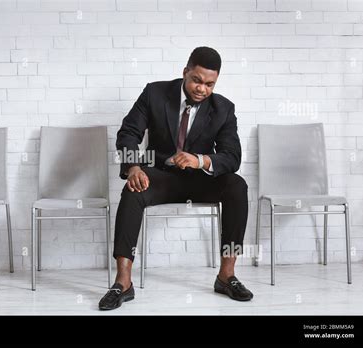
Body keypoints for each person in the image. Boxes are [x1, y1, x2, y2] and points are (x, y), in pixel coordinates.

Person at [99, 46, 253, 311]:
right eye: (197, 80)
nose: (202, 89)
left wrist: (201, 159)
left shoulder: (224, 109)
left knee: (237, 186)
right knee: (132, 189)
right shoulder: (154, 93)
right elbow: (128, 132)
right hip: (160, 176)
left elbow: (232, 157)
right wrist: (133, 167)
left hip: (201, 179)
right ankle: (123, 282)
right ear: (185, 72)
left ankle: (226, 275)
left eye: (209, 84)